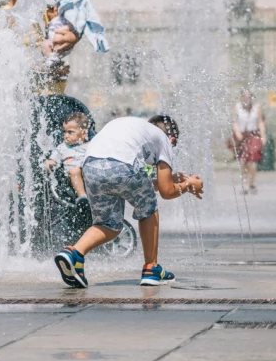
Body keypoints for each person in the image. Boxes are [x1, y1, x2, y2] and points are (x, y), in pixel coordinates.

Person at [54, 115, 204, 288]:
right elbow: (166, 191)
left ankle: (74, 254)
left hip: (90, 165)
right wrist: (189, 185)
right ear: (172, 138)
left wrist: (171, 180)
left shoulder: (136, 129)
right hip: (122, 164)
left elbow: (133, 181)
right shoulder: (164, 139)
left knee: (108, 224)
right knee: (148, 208)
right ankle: (152, 268)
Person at [45, 112, 90, 204]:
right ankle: (82, 197)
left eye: (70, 132)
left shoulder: (90, 145)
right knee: (74, 171)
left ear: (83, 133)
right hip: (72, 177)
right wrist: (49, 162)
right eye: (64, 132)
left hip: (88, 173)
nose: (66, 136)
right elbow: (54, 161)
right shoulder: (62, 147)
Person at [232, 90, 266, 194]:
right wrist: (237, 132)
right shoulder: (237, 107)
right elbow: (234, 122)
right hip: (242, 135)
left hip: (253, 135)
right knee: (243, 161)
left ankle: (252, 182)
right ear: (241, 97)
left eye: (248, 96)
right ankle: (245, 183)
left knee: (252, 160)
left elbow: (260, 121)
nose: (246, 98)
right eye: (244, 96)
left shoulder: (257, 107)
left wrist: (263, 135)